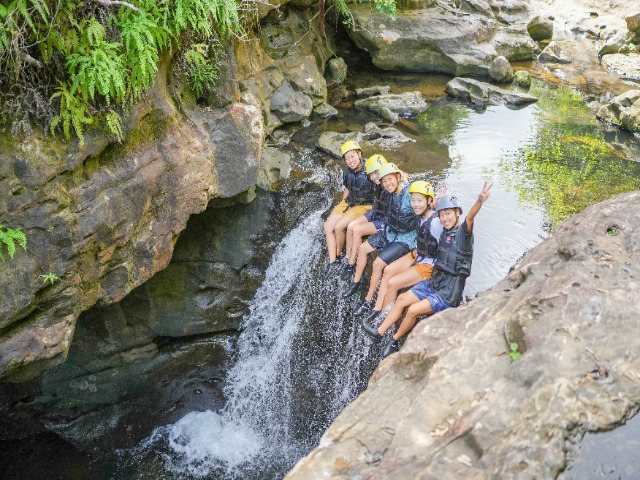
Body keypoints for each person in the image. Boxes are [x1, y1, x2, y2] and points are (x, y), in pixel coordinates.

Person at [363, 182, 493, 357]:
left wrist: (479, 201)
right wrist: (434, 204)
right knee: (401, 299)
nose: (445, 218)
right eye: (443, 215)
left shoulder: (463, 235)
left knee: (413, 310)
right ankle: (379, 332)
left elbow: (470, 218)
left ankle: (394, 340)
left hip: (448, 291)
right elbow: (429, 216)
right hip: (434, 281)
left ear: (457, 214)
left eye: (449, 214)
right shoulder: (443, 228)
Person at [362, 181, 444, 324]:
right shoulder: (420, 214)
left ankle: (385, 317)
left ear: (429, 200)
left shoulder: (436, 223)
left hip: (429, 263)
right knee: (387, 270)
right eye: (413, 200)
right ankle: (377, 308)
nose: (415, 204)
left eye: (420, 200)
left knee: (393, 283)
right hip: (418, 254)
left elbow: (450, 239)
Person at [345, 163, 417, 317]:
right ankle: (356, 283)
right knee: (363, 248)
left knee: (378, 264)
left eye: (390, 180)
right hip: (390, 232)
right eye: (384, 181)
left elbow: (424, 205)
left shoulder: (409, 193)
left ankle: (368, 300)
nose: (387, 184)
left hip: (405, 239)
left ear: (398, 177)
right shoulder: (387, 191)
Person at [323, 141, 375, 274]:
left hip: (364, 204)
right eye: (347, 158)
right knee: (327, 227)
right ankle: (332, 261)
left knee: (339, 227)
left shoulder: (370, 167)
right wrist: (342, 206)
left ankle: (340, 254)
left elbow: (385, 172)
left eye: (352, 156)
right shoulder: (346, 171)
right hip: (350, 200)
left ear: (359, 154)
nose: (350, 160)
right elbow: (347, 187)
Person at [340, 154, 389, 280]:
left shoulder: (390, 184)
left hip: (384, 219)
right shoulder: (378, 183)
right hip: (376, 211)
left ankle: (352, 264)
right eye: (371, 174)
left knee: (357, 230)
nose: (373, 177)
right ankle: (348, 257)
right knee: (351, 226)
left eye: (376, 173)